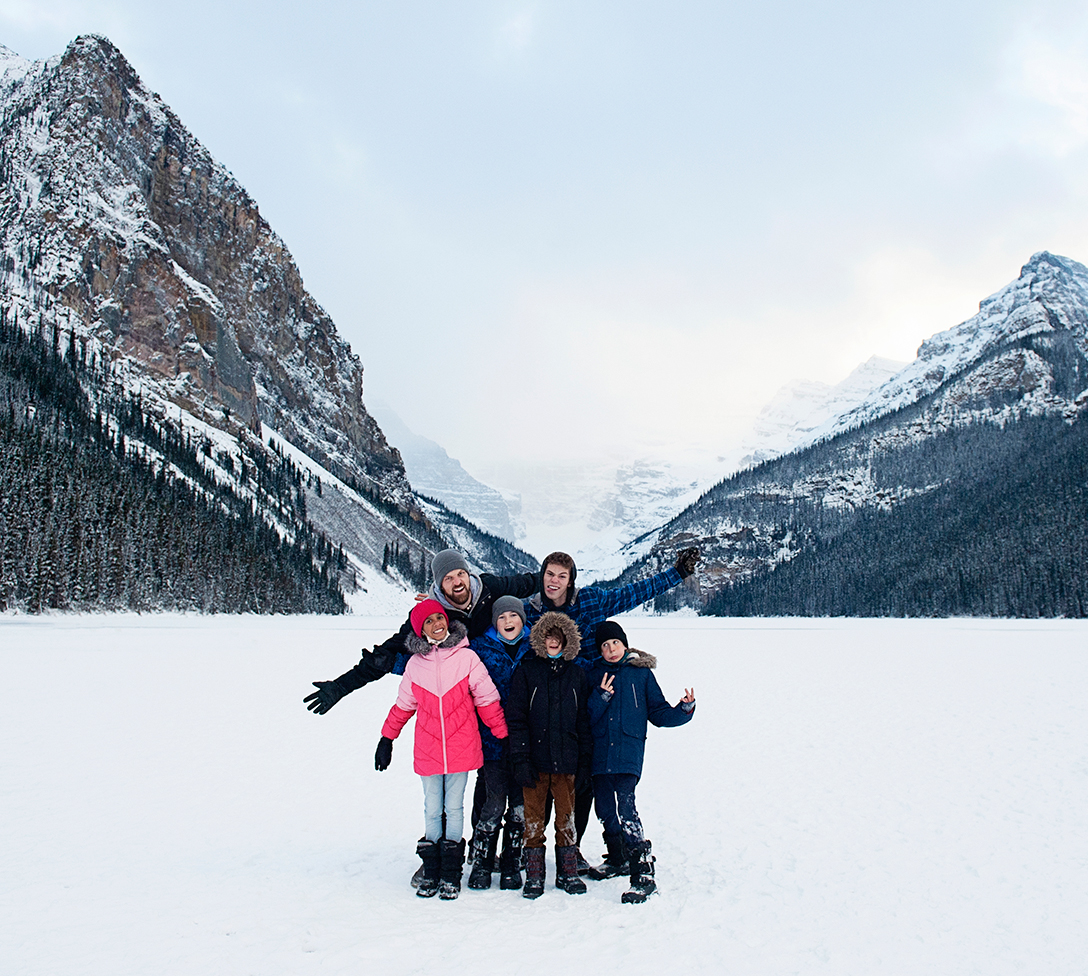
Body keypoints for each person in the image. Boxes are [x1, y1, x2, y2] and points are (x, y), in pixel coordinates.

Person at [521, 546, 701, 865]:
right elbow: (492, 616)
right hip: (549, 704)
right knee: (543, 779)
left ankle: (572, 850)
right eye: (549, 574)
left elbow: (635, 592)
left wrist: (678, 573)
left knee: (585, 783)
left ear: (571, 580)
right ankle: (527, 848)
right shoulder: (529, 609)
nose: (554, 581)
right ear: (541, 576)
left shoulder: (591, 601)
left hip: (590, 701)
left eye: (562, 576)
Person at [373, 599, 508, 900]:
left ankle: (450, 874)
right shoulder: (414, 666)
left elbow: (487, 699)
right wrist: (387, 738)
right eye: (429, 621)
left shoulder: (467, 659)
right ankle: (431, 871)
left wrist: (502, 735)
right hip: (429, 749)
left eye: (440, 618)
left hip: (461, 747)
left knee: (455, 808)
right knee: (432, 809)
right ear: (420, 630)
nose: (437, 624)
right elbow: (403, 706)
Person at [304, 549, 536, 714]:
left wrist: (562, 576)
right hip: (469, 696)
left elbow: (528, 583)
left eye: (460, 574)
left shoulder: (489, 587)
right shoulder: (432, 614)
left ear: (468, 574)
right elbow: (384, 654)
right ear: (439, 585)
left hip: (509, 682)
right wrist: (341, 686)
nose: (457, 582)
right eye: (448, 578)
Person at [585, 620, 695, 903]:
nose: (611, 650)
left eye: (616, 644)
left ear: (625, 645)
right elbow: (585, 716)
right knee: (605, 808)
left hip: (628, 751)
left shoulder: (641, 675)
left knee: (627, 805)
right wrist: (600, 697)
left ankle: (643, 873)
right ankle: (618, 858)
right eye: (605, 645)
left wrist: (684, 709)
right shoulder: (593, 673)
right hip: (599, 753)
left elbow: (658, 713)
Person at [505, 612, 592, 899]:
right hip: (535, 762)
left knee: (566, 819)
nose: (553, 641)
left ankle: (568, 872)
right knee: (533, 820)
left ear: (567, 640)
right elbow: (516, 719)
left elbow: (583, 722)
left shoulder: (577, 674)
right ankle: (534, 874)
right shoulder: (527, 671)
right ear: (540, 639)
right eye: (548, 636)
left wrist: (583, 763)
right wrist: (520, 758)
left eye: (558, 636)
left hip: (567, 762)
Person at [465, 595, 533, 891]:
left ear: (523, 619)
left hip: (525, 742)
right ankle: (481, 861)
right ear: (494, 621)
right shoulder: (479, 647)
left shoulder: (536, 647)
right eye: (502, 617)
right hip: (490, 740)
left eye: (513, 616)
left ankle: (511, 861)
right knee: (492, 803)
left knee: (519, 805)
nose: (508, 622)